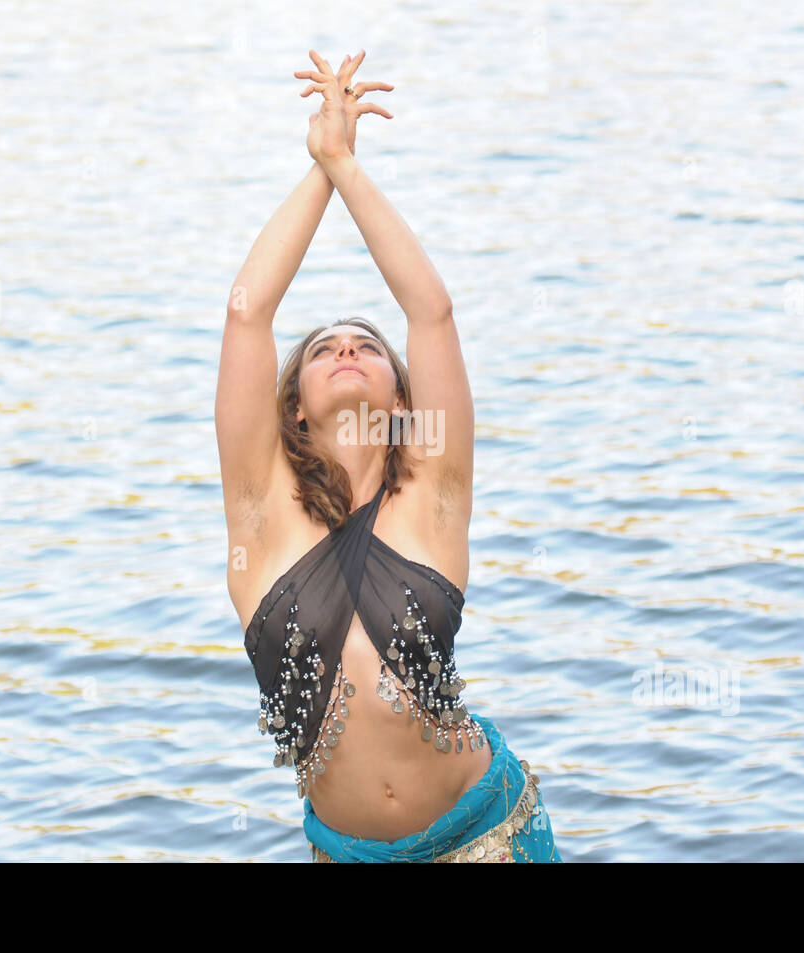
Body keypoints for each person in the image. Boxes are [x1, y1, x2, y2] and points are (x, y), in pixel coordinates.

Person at [216, 49, 562, 862]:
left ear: (402, 400)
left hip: (489, 832)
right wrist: (317, 172)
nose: (345, 348)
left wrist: (348, 166)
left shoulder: (432, 492)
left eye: (365, 344)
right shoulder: (261, 514)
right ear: (293, 403)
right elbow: (245, 314)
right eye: (324, 347)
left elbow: (430, 310)